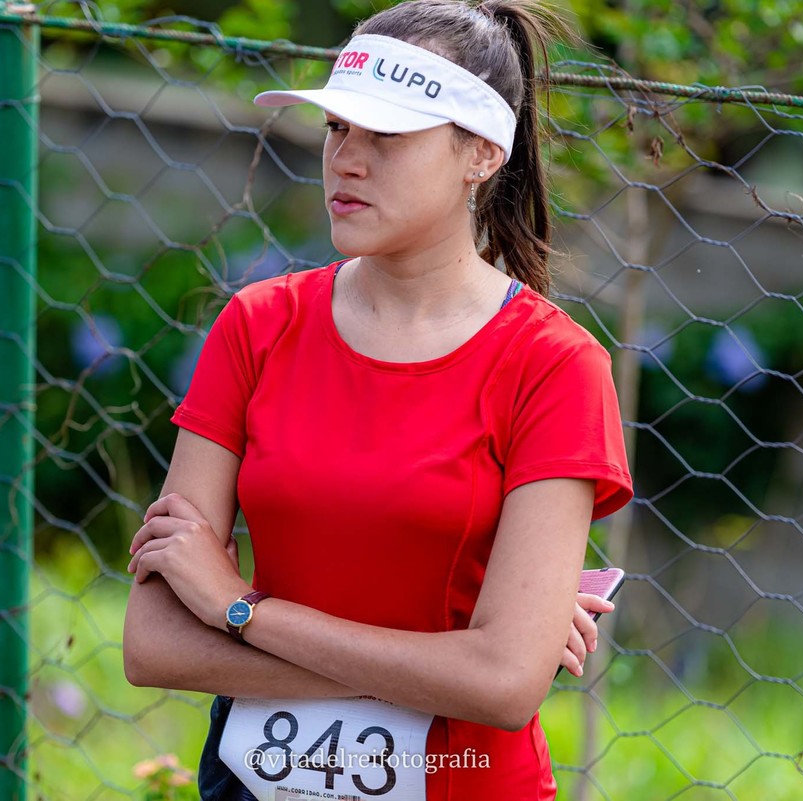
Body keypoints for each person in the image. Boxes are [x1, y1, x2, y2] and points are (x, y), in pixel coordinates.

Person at [122, 1, 633, 799]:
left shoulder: (555, 366)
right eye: (337, 129)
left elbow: (503, 687)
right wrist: (443, 667)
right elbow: (154, 643)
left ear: (482, 153)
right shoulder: (258, 325)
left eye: (386, 136)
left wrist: (241, 612)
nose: (346, 161)